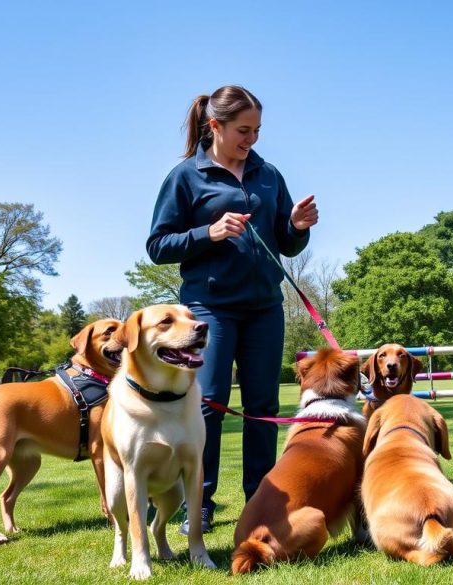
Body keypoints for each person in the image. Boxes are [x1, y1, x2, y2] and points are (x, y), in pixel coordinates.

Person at [146, 85, 319, 534]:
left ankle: (261, 502)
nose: (252, 139)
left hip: (265, 308)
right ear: (215, 126)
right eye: (244, 130)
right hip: (210, 309)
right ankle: (198, 503)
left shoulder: (268, 174)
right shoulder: (186, 176)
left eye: (258, 130)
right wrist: (209, 232)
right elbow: (158, 246)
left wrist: (297, 228)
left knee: (262, 406)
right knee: (209, 405)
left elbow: (285, 241)